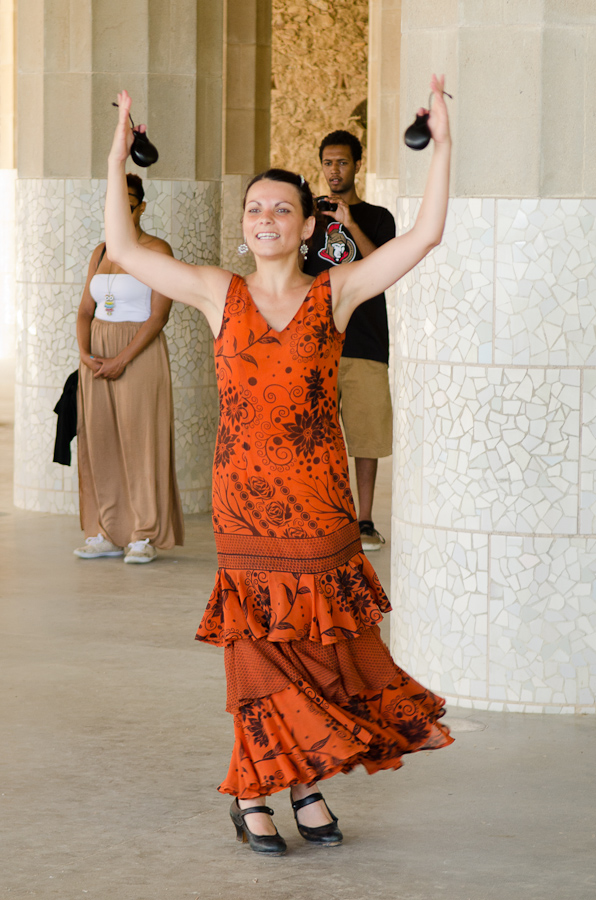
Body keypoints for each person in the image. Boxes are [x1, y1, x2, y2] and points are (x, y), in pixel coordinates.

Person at [105, 76, 453, 855]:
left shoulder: (334, 295)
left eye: (281, 210)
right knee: (258, 648)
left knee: (319, 650)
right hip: (246, 509)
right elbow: (124, 247)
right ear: (243, 228)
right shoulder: (214, 292)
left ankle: (305, 784)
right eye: (255, 209)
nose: (266, 218)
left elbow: (424, 236)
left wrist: (444, 141)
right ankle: (257, 792)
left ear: (304, 228)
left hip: (321, 505)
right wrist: (118, 145)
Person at [74, 173, 184, 564]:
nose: (122, 208)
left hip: (140, 352)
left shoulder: (158, 249)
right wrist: (86, 354)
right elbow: (86, 310)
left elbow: (158, 316)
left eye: (130, 200)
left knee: (142, 439)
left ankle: (143, 534)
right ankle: (106, 530)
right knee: (99, 440)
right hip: (96, 355)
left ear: (140, 206)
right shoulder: (100, 251)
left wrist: (122, 359)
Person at [304, 130, 395, 552]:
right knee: (314, 435)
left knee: (364, 436)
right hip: (317, 343)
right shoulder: (307, 220)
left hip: (366, 342)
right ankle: (322, 517)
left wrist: (350, 224)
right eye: (328, 163)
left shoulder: (377, 217)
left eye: (342, 162)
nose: (334, 170)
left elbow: (383, 269)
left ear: (357, 164)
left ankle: (365, 521)